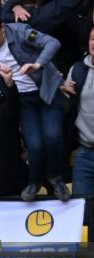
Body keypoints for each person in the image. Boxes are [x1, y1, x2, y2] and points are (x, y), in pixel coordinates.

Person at [0, 8, 69, 201]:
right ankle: (34, 182)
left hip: (46, 93)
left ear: (2, 28)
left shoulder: (21, 32)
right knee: (35, 145)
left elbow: (53, 43)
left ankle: (56, 178)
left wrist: (38, 64)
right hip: (23, 101)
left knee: (53, 136)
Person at [63, 26, 94, 196]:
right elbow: (67, 106)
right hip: (84, 152)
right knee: (81, 209)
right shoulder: (77, 69)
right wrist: (64, 90)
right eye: (92, 38)